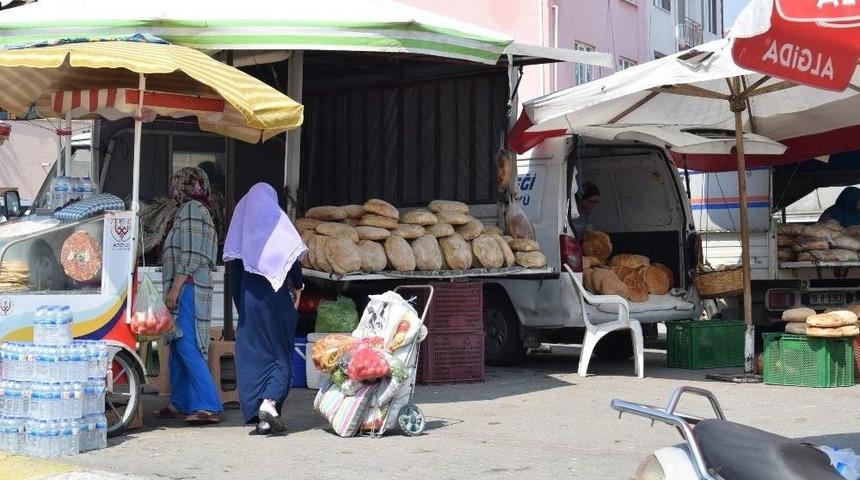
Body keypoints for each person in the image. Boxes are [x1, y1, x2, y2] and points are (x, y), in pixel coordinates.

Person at [223, 183, 307, 435]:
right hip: (278, 299)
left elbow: (234, 276)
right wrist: (299, 287)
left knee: (253, 355)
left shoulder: (240, 231)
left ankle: (261, 416)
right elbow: (293, 265)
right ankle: (269, 404)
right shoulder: (279, 225)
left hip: (250, 299)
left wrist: (243, 306)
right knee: (280, 354)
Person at [155, 166, 223, 425]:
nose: (173, 190)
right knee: (175, 345)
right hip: (186, 286)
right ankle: (181, 401)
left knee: (187, 343)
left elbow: (193, 254)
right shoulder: (186, 211)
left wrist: (175, 288)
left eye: (178, 185)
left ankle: (208, 404)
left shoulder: (193, 209)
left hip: (189, 287)